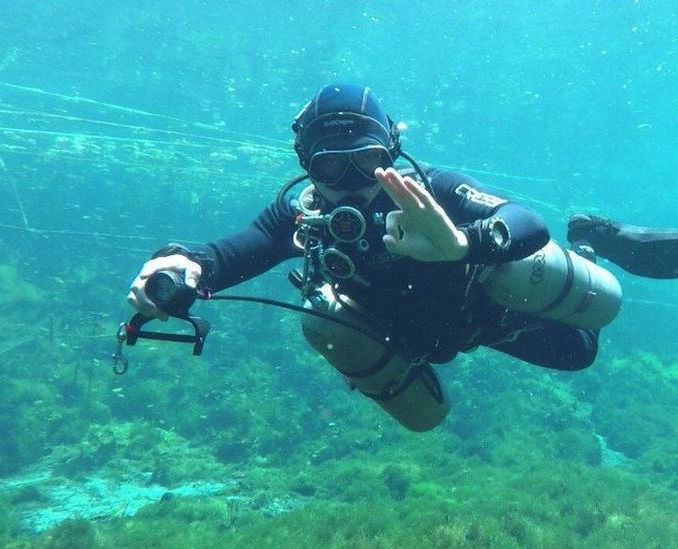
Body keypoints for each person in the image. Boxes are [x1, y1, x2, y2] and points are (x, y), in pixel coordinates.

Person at [127, 83, 623, 432]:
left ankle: (589, 243)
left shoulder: (427, 191)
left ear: (391, 153)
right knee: (324, 319)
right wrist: (183, 264)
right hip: (426, 338)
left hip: (493, 314)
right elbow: (229, 254)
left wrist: (460, 243)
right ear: (306, 166)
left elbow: (528, 222)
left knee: (581, 352)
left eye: (368, 162)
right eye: (330, 167)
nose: (352, 185)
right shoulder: (302, 215)